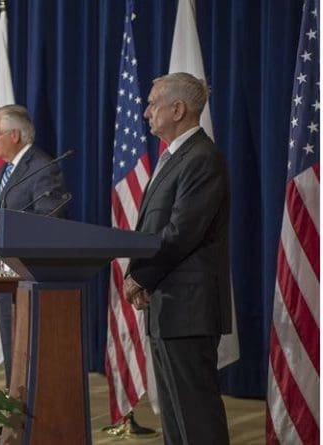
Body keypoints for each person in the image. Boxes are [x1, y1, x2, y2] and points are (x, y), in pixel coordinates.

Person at [124, 72, 231, 445]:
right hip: (166, 305)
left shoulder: (202, 157)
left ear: (178, 108)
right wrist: (140, 274)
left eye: (153, 103)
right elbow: (153, 230)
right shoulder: (174, 157)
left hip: (189, 307)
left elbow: (182, 232)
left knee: (196, 416)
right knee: (174, 416)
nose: (146, 112)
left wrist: (140, 277)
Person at [0, 104, 69, 385]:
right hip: (5, 275)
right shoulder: (3, 172)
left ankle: (29, 418)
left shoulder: (43, 167)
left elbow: (50, 218)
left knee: (27, 354)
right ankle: (15, 415)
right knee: (13, 353)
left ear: (14, 135)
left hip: (30, 276)